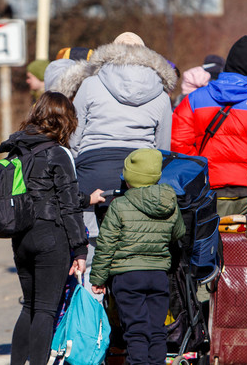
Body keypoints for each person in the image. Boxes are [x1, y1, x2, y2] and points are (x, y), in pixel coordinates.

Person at [56, 31, 177, 299]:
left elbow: (74, 136)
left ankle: (91, 325)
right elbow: (163, 147)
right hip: (138, 177)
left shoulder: (91, 83)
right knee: (132, 252)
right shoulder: (160, 92)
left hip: (93, 172)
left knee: (90, 250)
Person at [2, 92, 90, 365]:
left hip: (21, 237)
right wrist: (80, 250)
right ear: (66, 120)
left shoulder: (18, 148)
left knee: (28, 306)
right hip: (51, 237)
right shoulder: (59, 152)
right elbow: (67, 206)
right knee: (45, 310)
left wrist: (88, 197)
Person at [89, 148, 186, 365]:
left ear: (129, 178)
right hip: (158, 275)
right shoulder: (169, 202)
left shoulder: (119, 205)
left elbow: (106, 245)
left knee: (135, 331)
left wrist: (98, 278)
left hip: (127, 277)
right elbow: (179, 233)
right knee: (157, 329)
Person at [171, 35, 247, 217]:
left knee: (209, 244)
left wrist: (199, 178)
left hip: (209, 192)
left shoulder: (193, 100)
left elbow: (178, 145)